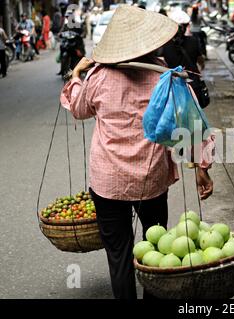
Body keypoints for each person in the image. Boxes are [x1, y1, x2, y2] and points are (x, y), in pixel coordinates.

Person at [60, 6, 214, 299]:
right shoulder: (166, 77)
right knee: (156, 249)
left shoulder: (98, 77)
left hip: (108, 183)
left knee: (118, 254)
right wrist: (202, 168)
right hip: (151, 180)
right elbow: (192, 123)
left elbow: (78, 109)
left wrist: (77, 74)